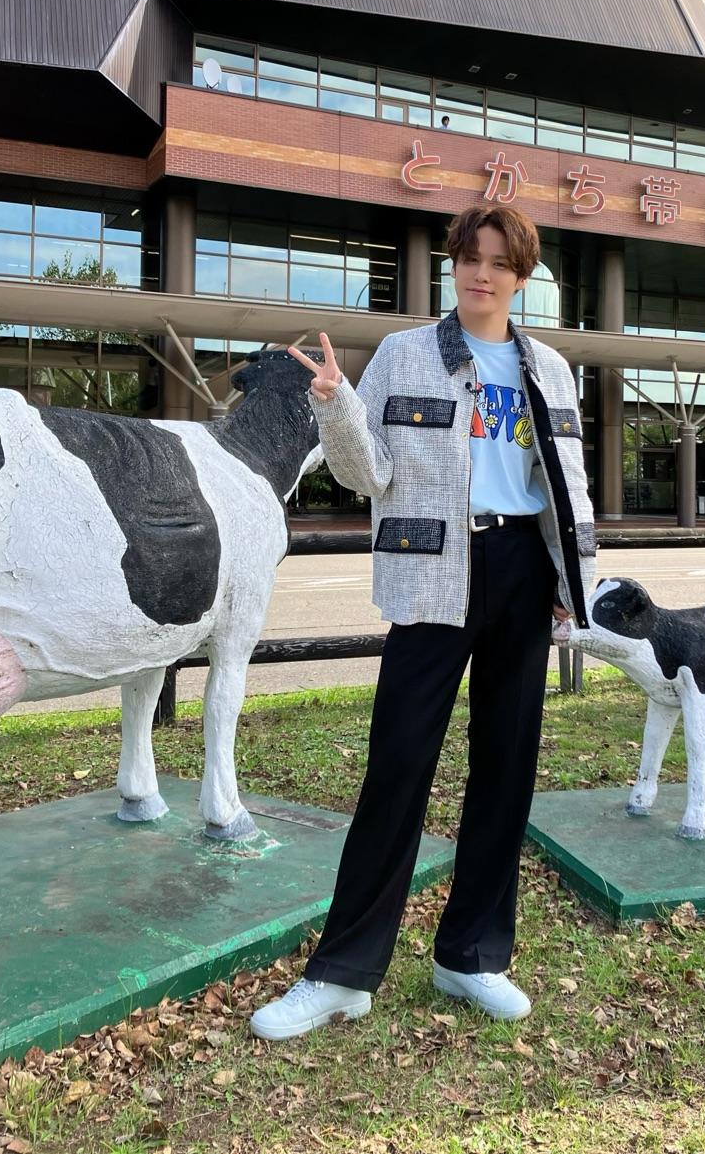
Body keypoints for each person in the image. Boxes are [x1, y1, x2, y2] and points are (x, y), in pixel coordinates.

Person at [250, 205, 596, 1040]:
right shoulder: (408, 352)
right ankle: (342, 973)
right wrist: (336, 404)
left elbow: (569, 481)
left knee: (506, 768)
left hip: (521, 570)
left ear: (521, 275)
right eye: (469, 259)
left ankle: (472, 954)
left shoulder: (549, 367)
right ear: (454, 266)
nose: (481, 274)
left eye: (498, 262)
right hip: (436, 575)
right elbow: (366, 473)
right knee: (399, 764)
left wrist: (571, 574)